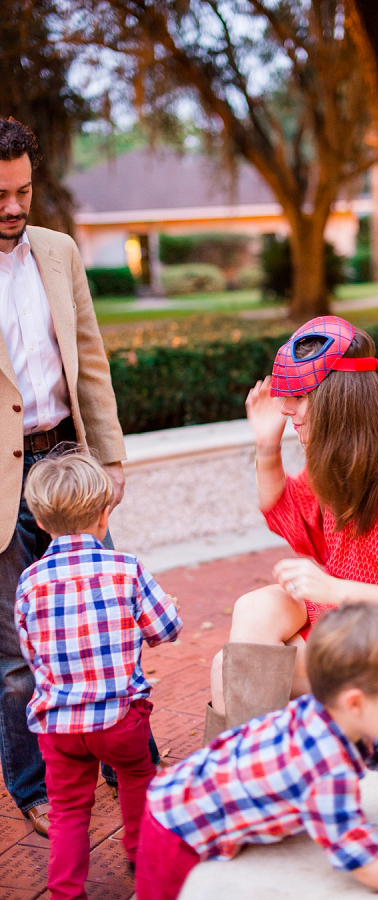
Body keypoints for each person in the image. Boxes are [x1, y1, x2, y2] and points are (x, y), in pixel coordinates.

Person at [137, 604, 378, 900]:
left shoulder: (336, 716)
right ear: (357, 702)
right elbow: (366, 867)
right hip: (177, 833)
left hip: (182, 794)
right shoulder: (327, 766)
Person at [206, 316, 378, 739]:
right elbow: (290, 518)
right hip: (344, 619)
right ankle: (251, 771)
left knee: (229, 671)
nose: (285, 407)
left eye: (299, 395)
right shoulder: (341, 455)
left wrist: (332, 590)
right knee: (252, 611)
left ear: (340, 397)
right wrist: (266, 445)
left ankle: (246, 778)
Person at [0, 116, 127, 835]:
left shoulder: (59, 251)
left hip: (69, 460)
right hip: (0, 479)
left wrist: (107, 458)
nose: (14, 207)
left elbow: (90, 358)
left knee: (100, 616)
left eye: (22, 190)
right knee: (18, 650)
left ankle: (118, 753)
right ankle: (33, 783)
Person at [15, 452, 183, 900]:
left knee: (69, 810)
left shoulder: (30, 581)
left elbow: (29, 651)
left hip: (59, 727)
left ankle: (66, 890)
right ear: (105, 514)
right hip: (119, 720)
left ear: (42, 523)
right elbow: (165, 629)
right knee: (136, 779)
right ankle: (141, 856)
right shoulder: (125, 569)